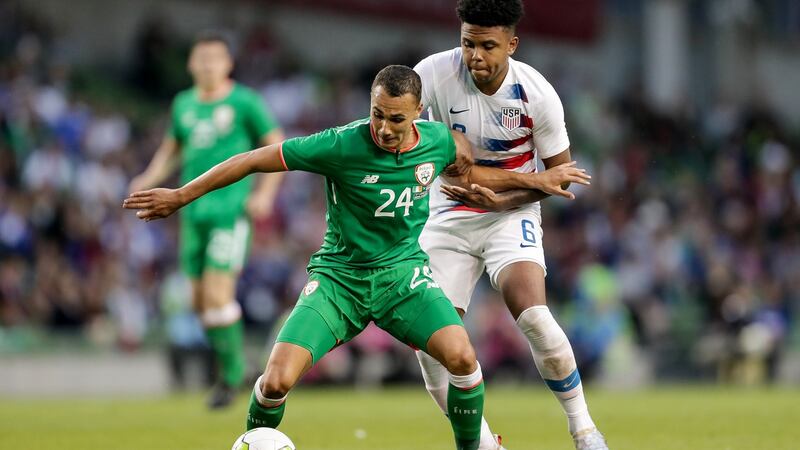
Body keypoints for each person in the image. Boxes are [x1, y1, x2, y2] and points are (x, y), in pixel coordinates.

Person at [124, 65, 589, 450]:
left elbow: (470, 168)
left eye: (396, 120)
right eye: (377, 114)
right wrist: (181, 195)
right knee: (275, 382)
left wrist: (533, 182)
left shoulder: (440, 141)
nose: (384, 128)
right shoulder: (340, 144)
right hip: (339, 282)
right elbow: (251, 159)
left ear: (417, 115)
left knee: (463, 359)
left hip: (402, 279)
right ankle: (252, 440)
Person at [412, 1, 609, 449]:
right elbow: (404, 133)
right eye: (467, 43)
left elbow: (557, 181)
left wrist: (501, 196)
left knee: (536, 317)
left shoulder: (537, 94)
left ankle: (584, 430)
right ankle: (485, 443)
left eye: (487, 45)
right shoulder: (433, 74)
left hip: (512, 213)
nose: (475, 55)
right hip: (447, 212)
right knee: (430, 345)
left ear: (511, 44)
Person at [128, 31, 285, 409]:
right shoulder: (184, 104)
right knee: (200, 303)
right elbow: (173, 149)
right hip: (191, 213)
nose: (207, 65)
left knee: (218, 294)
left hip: (229, 212)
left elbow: (276, 143)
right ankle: (238, 365)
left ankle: (232, 375)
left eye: (215, 58)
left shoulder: (245, 101)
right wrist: (147, 179)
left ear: (228, 63)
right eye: (201, 58)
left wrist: (264, 195)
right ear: (191, 64)